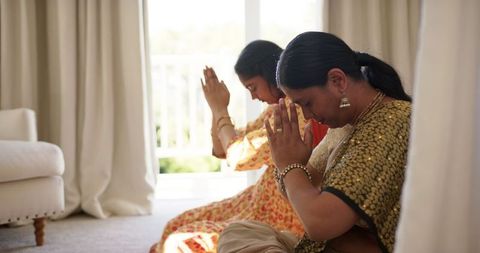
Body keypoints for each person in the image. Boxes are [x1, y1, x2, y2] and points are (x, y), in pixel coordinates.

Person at [217, 31, 412, 253]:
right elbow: (300, 185)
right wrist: (291, 162)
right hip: (326, 245)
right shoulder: (346, 124)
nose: (307, 116)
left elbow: (319, 223)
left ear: (337, 81)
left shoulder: (390, 122)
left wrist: (289, 164)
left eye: (307, 103)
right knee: (238, 232)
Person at [149, 40, 329, 253]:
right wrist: (216, 109)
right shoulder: (275, 109)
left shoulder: (294, 113)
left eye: (253, 87)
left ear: (269, 74)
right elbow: (221, 150)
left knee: (181, 241)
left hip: (279, 216)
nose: (253, 96)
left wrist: (220, 108)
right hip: (255, 201)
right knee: (174, 225)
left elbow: (237, 157)